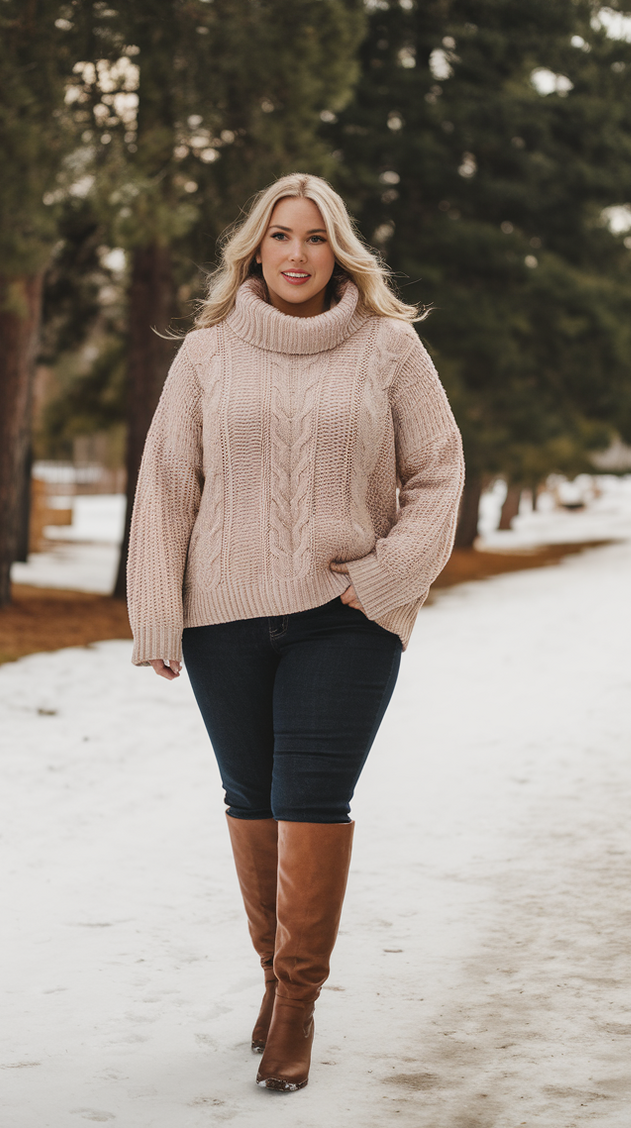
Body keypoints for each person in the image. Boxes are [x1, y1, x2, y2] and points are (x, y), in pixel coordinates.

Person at [127, 173, 464, 1092]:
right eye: (281, 235)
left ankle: (299, 1006)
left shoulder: (389, 349)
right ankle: (273, 980)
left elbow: (440, 471)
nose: (297, 253)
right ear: (256, 248)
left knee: (311, 797)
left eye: (316, 237)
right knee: (251, 797)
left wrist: (387, 577)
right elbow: (167, 481)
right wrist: (157, 611)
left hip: (344, 617)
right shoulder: (207, 352)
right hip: (223, 618)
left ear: (338, 249)